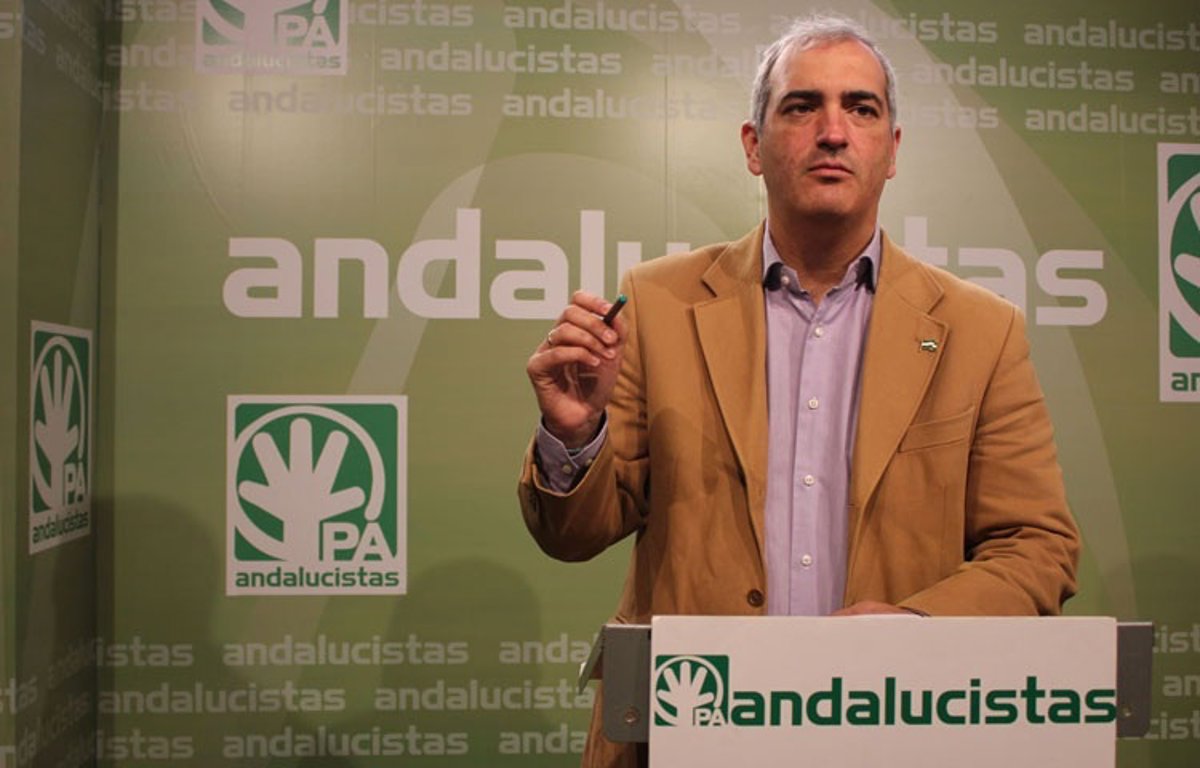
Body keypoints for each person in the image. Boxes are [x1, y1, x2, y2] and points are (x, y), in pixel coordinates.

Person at [518, 13, 1081, 767]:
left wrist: (918, 628)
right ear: (753, 146)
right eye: (802, 106)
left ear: (892, 150)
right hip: (693, 732)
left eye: (861, 108)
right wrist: (574, 434)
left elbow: (1037, 547)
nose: (833, 132)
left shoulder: (982, 331)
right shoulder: (657, 302)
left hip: (894, 730)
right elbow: (573, 536)